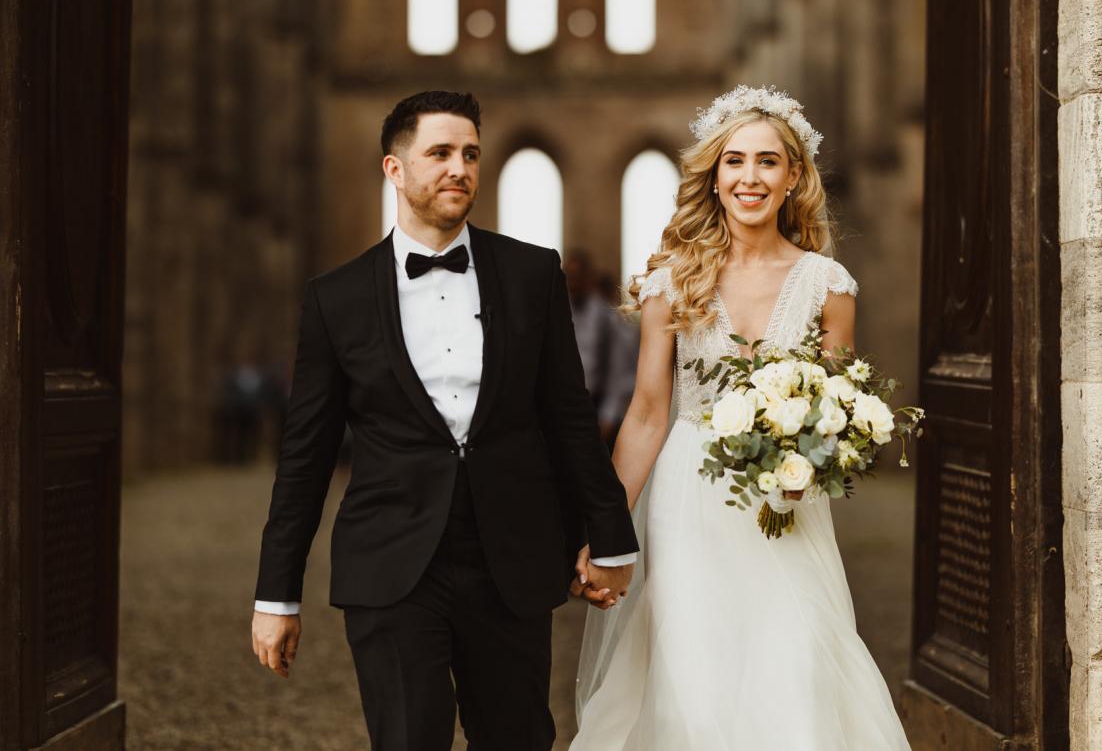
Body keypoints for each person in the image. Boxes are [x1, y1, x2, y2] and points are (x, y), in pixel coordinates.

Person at [249, 90, 638, 751]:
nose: (460, 167)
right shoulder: (334, 299)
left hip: (510, 558)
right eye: (440, 153)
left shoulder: (532, 275)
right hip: (391, 562)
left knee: (516, 739)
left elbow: (568, 418)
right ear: (393, 169)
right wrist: (275, 595)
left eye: (470, 154)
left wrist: (610, 538)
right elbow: (305, 456)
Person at [570, 86, 910, 749]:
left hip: (786, 507)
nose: (749, 177)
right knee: (690, 677)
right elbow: (645, 414)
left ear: (793, 179)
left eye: (767, 162)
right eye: (734, 162)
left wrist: (804, 467)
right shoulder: (672, 282)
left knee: (796, 664)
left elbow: (836, 412)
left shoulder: (828, 285)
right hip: (688, 500)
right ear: (714, 177)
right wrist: (605, 530)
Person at [563, 250, 639, 446]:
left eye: (577, 276)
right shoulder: (558, 312)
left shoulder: (607, 316)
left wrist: (609, 415)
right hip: (565, 406)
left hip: (597, 405)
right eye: (569, 276)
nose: (573, 282)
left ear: (589, 276)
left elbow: (618, 369)